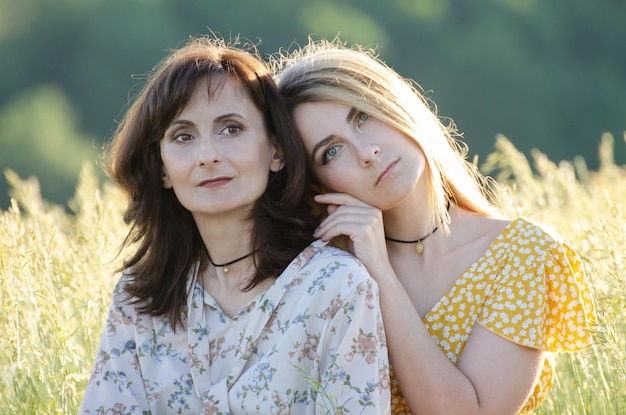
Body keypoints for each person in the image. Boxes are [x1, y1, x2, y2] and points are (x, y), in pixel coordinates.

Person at [272, 39, 596, 415]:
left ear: (394, 101)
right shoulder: (325, 273)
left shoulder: (522, 253)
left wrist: (383, 276)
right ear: (319, 187)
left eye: (362, 115)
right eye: (331, 151)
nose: (366, 153)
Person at [80, 36, 390, 415]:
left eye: (231, 129)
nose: (208, 156)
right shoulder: (139, 299)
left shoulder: (336, 287)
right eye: (184, 136)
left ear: (276, 150)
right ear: (162, 167)